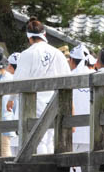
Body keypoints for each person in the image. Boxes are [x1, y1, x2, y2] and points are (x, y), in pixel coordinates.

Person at [14, 18, 70, 154]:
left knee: (38, 139)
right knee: (50, 138)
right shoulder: (58, 54)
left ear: (29, 38)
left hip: (34, 102)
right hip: (55, 100)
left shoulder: (27, 54)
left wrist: (11, 98)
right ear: (44, 34)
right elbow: (68, 79)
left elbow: (17, 82)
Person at [69, 45, 93, 171]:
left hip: (73, 128)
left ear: (72, 60)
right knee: (90, 165)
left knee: (73, 165)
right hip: (92, 128)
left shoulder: (68, 76)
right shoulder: (95, 75)